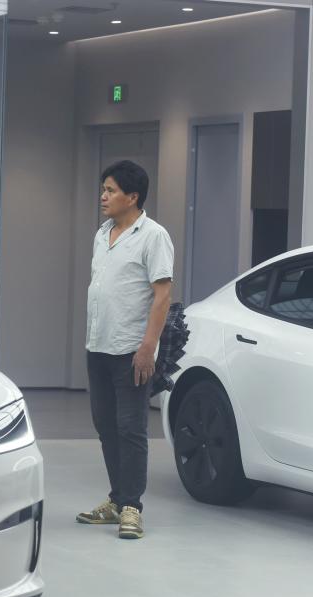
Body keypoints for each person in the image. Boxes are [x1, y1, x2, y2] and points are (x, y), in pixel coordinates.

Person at [76, 160, 174, 540]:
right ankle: (117, 500)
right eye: (103, 188)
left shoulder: (154, 236)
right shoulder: (102, 234)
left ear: (132, 197)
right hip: (98, 345)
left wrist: (148, 346)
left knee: (131, 428)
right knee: (105, 425)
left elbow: (162, 295)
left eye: (111, 190)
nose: (103, 196)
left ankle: (132, 506)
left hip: (132, 349)